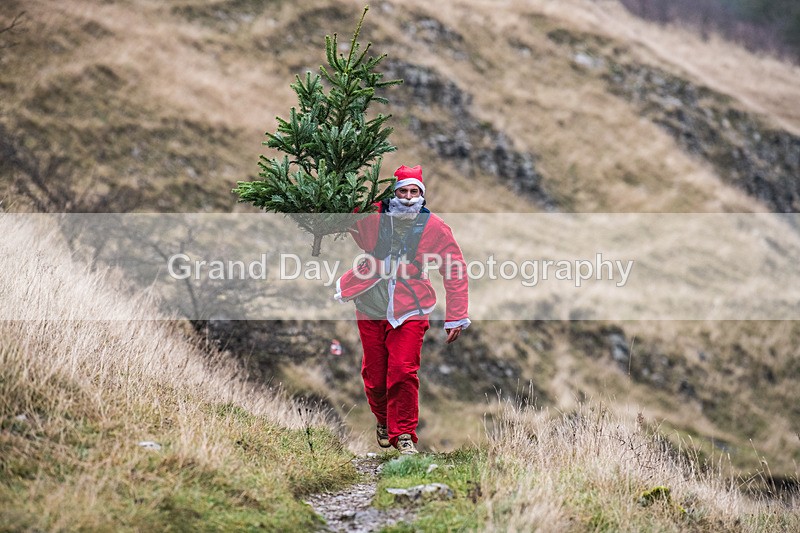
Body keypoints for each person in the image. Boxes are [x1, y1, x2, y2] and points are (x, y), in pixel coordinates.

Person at [334, 164, 470, 454]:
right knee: (374, 373)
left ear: (421, 195)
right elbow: (340, 210)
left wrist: (456, 315)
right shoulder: (371, 215)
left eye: (414, 192)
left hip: (412, 306)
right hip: (370, 301)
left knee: (403, 371)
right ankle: (383, 421)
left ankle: (404, 435)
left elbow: (454, 269)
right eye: (403, 191)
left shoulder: (435, 227)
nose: (408, 197)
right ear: (392, 193)